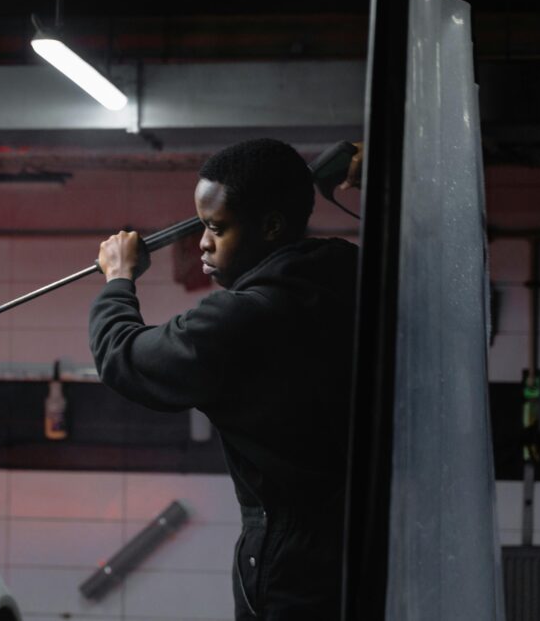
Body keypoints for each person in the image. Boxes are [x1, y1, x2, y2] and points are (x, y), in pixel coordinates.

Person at [90, 138, 359, 620]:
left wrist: (118, 280)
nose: (203, 243)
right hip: (365, 540)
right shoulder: (347, 274)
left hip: (293, 564)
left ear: (272, 225)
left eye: (217, 227)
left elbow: (122, 356)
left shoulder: (242, 319)